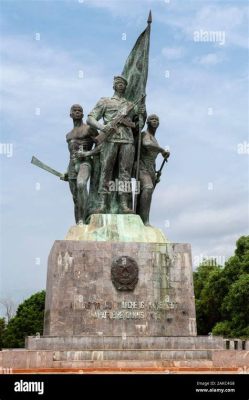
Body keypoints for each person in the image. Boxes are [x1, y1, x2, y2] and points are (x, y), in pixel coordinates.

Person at [87, 75, 146, 214]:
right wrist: (102, 127)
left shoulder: (131, 105)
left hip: (127, 140)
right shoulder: (105, 101)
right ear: (114, 85)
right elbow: (90, 118)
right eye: (118, 83)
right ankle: (102, 204)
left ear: (126, 87)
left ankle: (124, 204)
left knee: (124, 173)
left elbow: (139, 124)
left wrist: (142, 112)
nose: (121, 85)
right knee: (106, 171)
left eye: (123, 84)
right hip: (110, 139)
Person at [61, 104, 98, 224]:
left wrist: (88, 153)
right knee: (76, 197)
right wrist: (67, 171)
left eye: (80, 111)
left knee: (81, 184)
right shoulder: (68, 135)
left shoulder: (89, 129)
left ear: (82, 114)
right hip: (72, 165)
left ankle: (87, 215)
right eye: (75, 110)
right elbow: (71, 154)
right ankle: (79, 222)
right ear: (70, 114)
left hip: (85, 163)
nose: (77, 112)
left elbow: (102, 145)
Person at [136, 114, 170, 226]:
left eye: (156, 120)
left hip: (150, 169)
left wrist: (155, 174)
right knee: (148, 188)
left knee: (146, 193)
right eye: (152, 120)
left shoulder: (155, 139)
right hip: (141, 167)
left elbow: (153, 159)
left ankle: (142, 219)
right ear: (148, 122)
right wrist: (161, 150)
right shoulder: (145, 134)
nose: (154, 121)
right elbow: (146, 144)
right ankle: (145, 222)